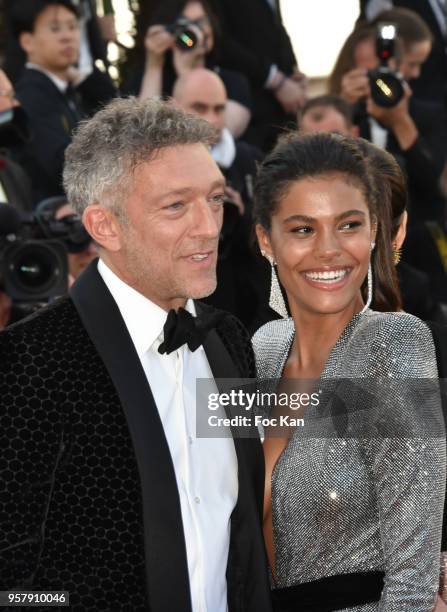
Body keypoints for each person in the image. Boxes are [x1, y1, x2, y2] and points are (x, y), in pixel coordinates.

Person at [0, 97, 271, 611]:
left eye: (214, 199)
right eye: (176, 206)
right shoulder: (28, 364)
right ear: (105, 226)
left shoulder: (227, 341)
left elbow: (245, 521)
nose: (209, 226)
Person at [251, 131, 446, 610]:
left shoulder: (395, 343)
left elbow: (413, 581)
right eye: (302, 229)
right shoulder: (262, 348)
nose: (329, 250)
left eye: (349, 225)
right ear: (265, 240)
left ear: (375, 232)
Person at [172, 67, 267, 328]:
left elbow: (271, 247)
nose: (212, 120)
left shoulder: (251, 161)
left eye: (219, 109)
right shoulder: (155, 170)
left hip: (245, 313)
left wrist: (241, 215)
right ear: (173, 107)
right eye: (199, 108)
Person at [124, 0, 252, 139]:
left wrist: (187, 76)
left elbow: (216, 137)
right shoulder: (148, 79)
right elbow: (142, 134)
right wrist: (154, 64)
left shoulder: (234, 83)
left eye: (200, 22)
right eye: (183, 23)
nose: (192, 30)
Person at [10, 0, 85, 204]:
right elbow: (61, 166)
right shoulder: (32, 94)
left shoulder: (62, 88)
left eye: (72, 27)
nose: (67, 36)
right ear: (27, 42)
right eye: (55, 29)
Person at [208, 0, 306, 152]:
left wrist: (292, 72)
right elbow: (220, 40)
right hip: (250, 111)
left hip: (281, 116)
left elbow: (276, 30)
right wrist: (276, 80)